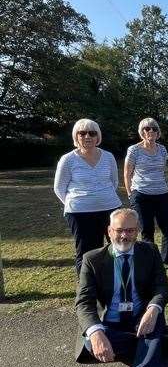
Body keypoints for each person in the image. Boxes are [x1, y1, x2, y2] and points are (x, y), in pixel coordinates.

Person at [74, 208, 168, 367]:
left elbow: (161, 286)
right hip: (110, 323)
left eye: (130, 230)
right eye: (119, 230)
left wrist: (153, 309)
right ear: (109, 231)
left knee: (156, 318)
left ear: (137, 231)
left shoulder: (150, 251)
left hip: (140, 318)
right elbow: (84, 302)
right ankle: (153, 344)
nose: (124, 235)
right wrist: (96, 332)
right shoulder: (92, 259)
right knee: (91, 342)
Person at [54, 118, 122, 276]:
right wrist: (75, 203)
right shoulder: (68, 160)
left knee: (118, 247)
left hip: (110, 209)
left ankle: (118, 282)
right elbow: (59, 188)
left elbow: (114, 181)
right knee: (87, 252)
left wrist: (102, 197)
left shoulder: (108, 157)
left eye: (92, 133)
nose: (87, 136)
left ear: (98, 136)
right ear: (76, 136)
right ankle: (88, 288)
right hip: (80, 213)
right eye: (82, 133)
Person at [124, 117, 168, 265]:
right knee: (147, 230)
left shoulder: (162, 149)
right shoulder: (134, 150)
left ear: (158, 132)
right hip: (141, 195)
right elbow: (127, 174)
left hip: (162, 194)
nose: (151, 131)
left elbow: (161, 170)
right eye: (147, 129)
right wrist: (130, 194)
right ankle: (150, 262)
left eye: (154, 128)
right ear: (142, 132)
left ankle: (165, 258)